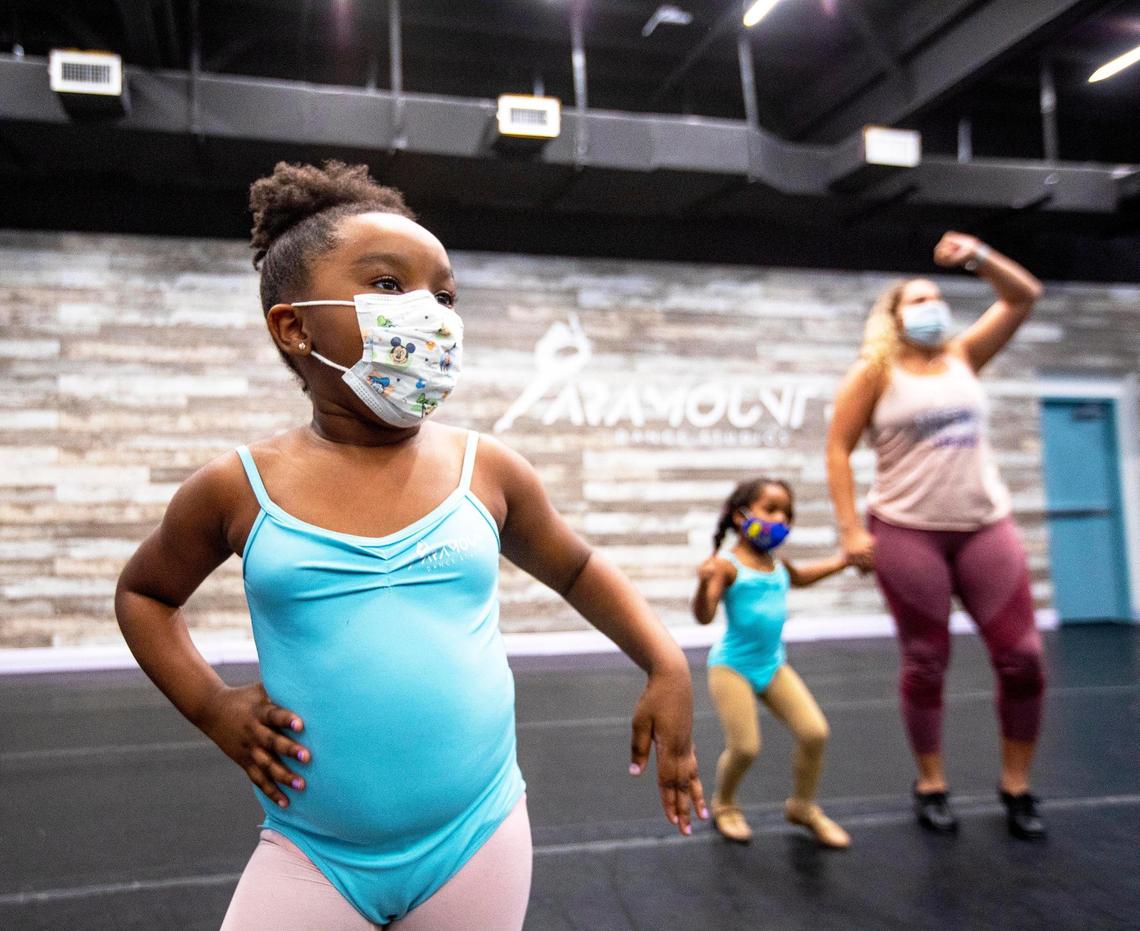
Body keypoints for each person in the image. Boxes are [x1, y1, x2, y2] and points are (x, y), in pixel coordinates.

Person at [115, 160, 707, 931]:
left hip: (478, 836)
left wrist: (665, 662)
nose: (429, 311)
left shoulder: (485, 469)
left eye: (445, 294)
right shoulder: (237, 488)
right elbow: (144, 594)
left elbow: (578, 565)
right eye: (390, 286)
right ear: (294, 325)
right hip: (315, 853)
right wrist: (213, 705)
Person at [825, 231, 1047, 840]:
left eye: (934, 297)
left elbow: (1025, 296)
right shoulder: (873, 373)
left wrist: (977, 257)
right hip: (906, 530)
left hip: (983, 524)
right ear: (893, 318)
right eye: (915, 301)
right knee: (926, 661)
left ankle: (1017, 786)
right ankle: (931, 784)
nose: (930, 307)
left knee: (1023, 657)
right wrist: (850, 531)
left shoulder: (964, 354)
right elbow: (838, 449)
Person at [693, 477, 851, 848]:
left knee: (815, 733)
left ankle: (803, 806)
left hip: (772, 665)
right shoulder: (726, 566)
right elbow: (704, 615)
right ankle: (725, 805)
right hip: (732, 666)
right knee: (745, 747)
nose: (780, 519)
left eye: (787, 513)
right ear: (739, 517)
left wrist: (843, 561)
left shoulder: (776, 564)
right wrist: (704, 584)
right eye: (771, 510)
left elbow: (803, 577)